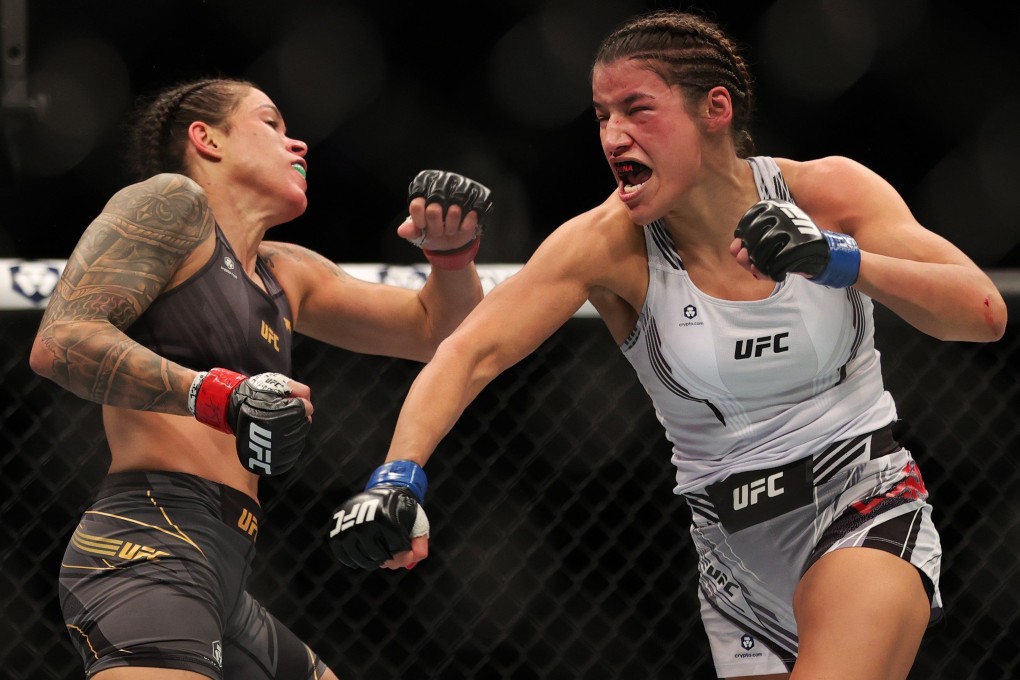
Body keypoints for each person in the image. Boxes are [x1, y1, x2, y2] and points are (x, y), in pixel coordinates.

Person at [327, 10, 1008, 680]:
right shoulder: (605, 244)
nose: (614, 136)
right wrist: (398, 473)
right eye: (601, 115)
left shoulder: (827, 192)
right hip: (732, 559)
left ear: (714, 109)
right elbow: (468, 352)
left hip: (863, 507)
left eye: (637, 109)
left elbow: (981, 313)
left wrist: (838, 260)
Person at [28, 76, 492, 680]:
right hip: (148, 543)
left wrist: (451, 256)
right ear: (207, 140)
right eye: (271, 124)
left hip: (227, 568)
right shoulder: (170, 204)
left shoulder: (284, 272)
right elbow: (61, 340)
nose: (298, 143)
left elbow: (436, 331)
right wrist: (219, 394)